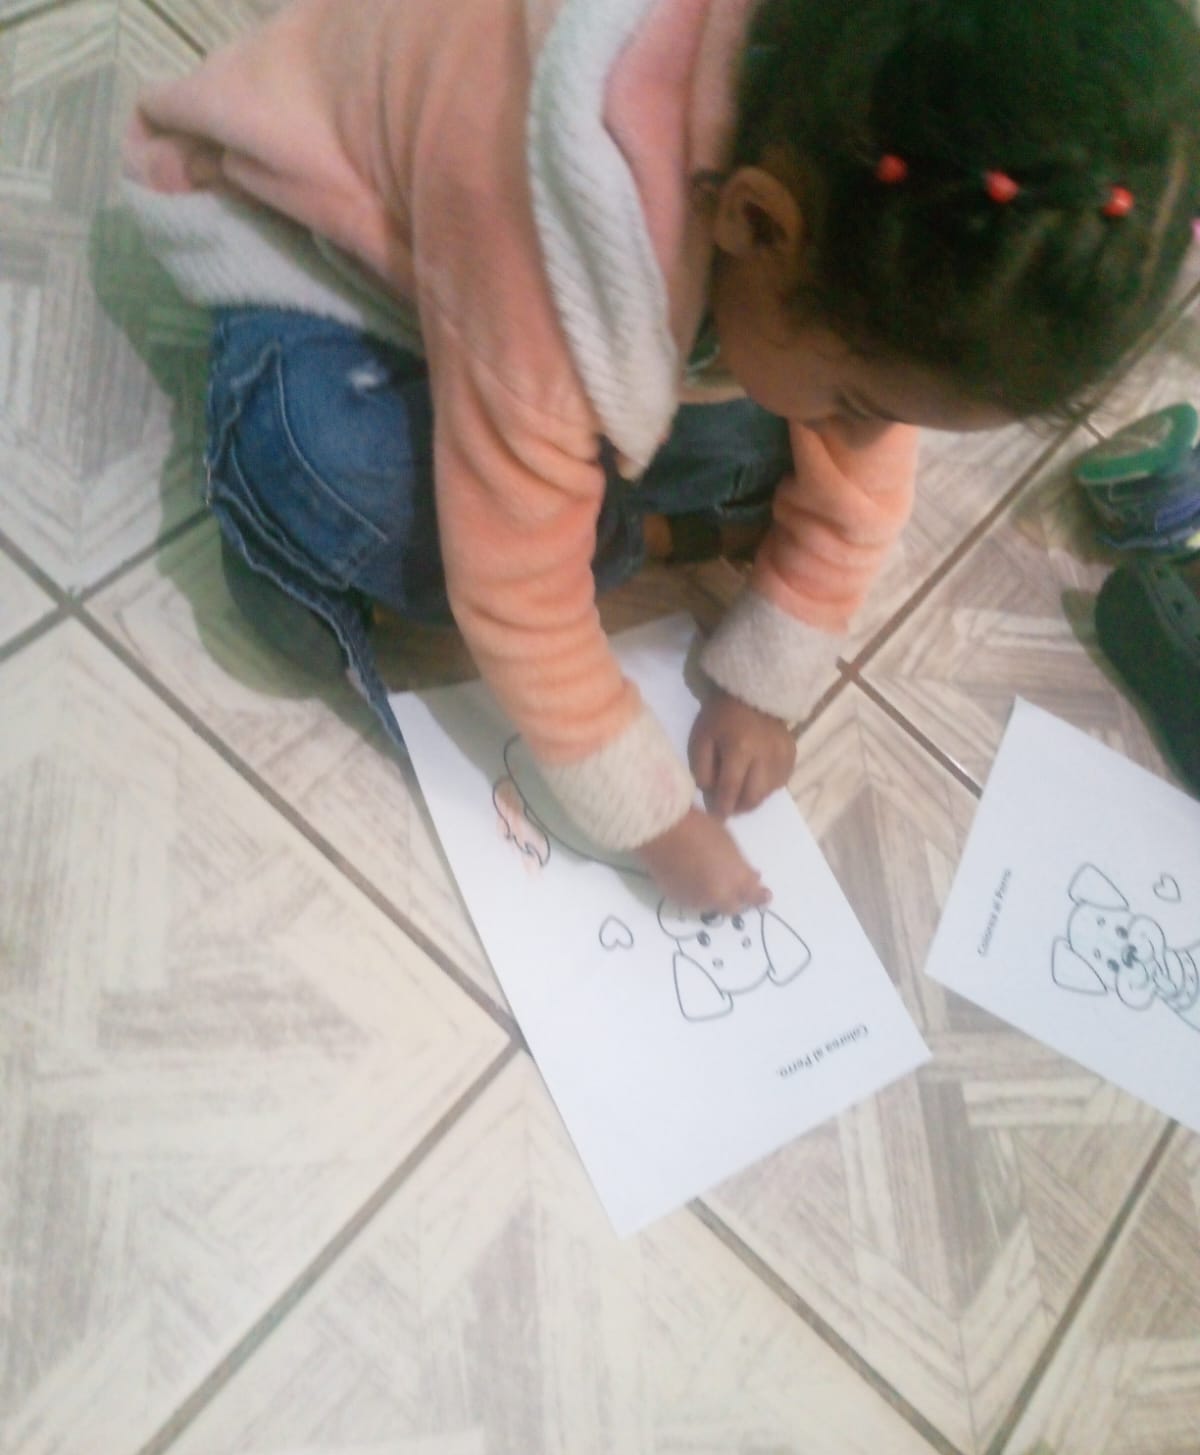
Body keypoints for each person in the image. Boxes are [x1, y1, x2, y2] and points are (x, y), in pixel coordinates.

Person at [122, 0, 1200, 911]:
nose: (874, 435)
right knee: (327, 469)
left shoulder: (870, 212)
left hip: (561, 304)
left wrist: (765, 684)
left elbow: (862, 473)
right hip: (325, 263)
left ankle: (633, 510)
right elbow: (519, 594)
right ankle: (311, 528)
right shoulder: (549, 235)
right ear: (757, 225)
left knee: (767, 433)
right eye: (863, 403)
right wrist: (654, 822)